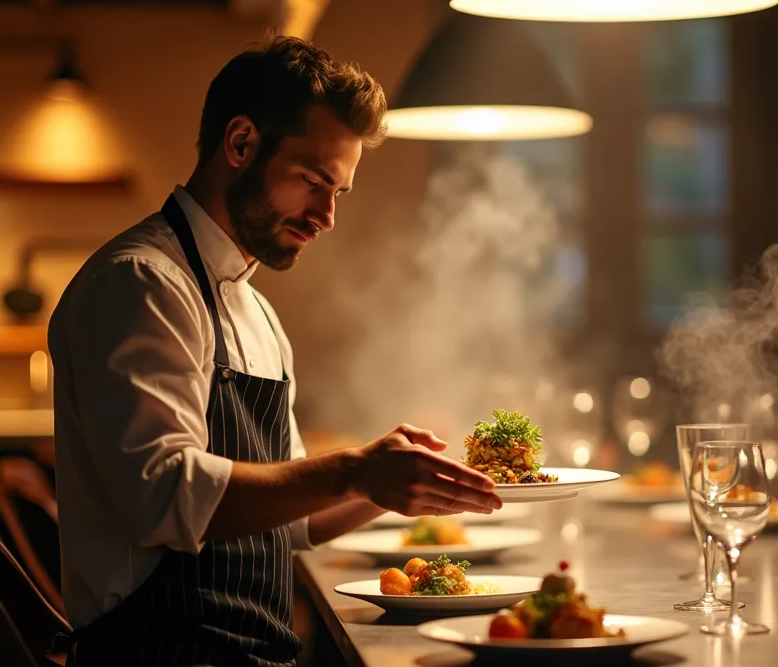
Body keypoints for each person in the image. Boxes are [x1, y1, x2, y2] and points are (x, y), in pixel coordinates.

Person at [48, 34, 501, 666]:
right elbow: (163, 497)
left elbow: (288, 524)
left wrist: (393, 485)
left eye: (337, 193)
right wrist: (353, 469)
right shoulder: (142, 282)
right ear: (240, 144)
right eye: (314, 182)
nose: (326, 216)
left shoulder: (257, 312)